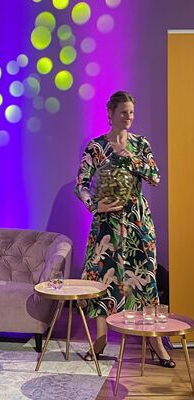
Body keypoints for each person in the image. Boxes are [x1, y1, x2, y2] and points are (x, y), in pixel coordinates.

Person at [74, 91, 175, 368]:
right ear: (111, 112)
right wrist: (95, 205)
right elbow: (80, 184)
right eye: (123, 112)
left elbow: (154, 177)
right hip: (107, 223)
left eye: (131, 112)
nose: (129, 117)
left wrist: (130, 156)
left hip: (137, 221)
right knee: (100, 277)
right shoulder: (96, 147)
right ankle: (101, 337)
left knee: (145, 277)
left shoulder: (141, 144)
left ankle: (154, 341)